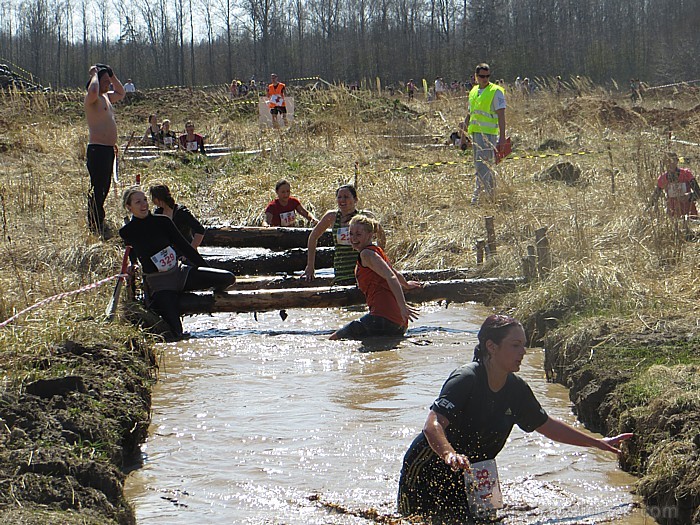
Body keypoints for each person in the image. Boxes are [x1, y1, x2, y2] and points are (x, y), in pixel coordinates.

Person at [397, 314, 634, 522]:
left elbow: (548, 426)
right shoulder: (466, 378)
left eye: (524, 345)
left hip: (478, 472)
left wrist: (599, 443)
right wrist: (449, 454)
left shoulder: (516, 389)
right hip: (428, 470)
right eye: (515, 345)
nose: (523, 352)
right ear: (491, 346)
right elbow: (432, 425)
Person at [119, 187, 234, 339]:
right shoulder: (127, 231)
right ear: (129, 207)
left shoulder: (163, 222)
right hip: (160, 284)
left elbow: (185, 247)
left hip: (180, 273)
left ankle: (202, 296)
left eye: (145, 200)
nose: (144, 205)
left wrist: (205, 269)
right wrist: (132, 264)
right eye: (138, 202)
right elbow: (132, 252)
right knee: (176, 333)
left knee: (228, 278)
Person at [330, 215, 421, 340]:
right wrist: (406, 285)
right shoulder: (376, 251)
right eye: (351, 234)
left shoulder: (367, 254)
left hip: (382, 318)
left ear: (369, 235)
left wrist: (403, 306)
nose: (353, 238)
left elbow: (391, 277)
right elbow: (395, 273)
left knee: (333, 340)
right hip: (398, 323)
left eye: (358, 234)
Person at [303, 184, 386, 286]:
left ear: (355, 199)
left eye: (346, 197)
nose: (342, 200)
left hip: (363, 267)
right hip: (342, 268)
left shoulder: (364, 216)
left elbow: (381, 234)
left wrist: (379, 257)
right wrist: (310, 265)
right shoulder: (331, 216)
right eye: (339, 197)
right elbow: (313, 237)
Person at [84, 63, 125, 237]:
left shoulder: (106, 97)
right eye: (105, 81)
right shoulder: (91, 99)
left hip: (107, 150)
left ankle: (98, 220)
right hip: (97, 150)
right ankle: (95, 223)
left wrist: (111, 73)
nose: (109, 84)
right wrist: (95, 73)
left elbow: (121, 93)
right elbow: (93, 90)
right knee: (98, 187)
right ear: (96, 82)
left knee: (105, 187)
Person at [462, 63, 506, 204]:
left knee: (482, 166)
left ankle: (478, 198)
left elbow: (501, 115)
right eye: (482, 76)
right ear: (476, 76)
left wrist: (503, 137)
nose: (485, 79)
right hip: (475, 134)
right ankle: (490, 196)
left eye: (487, 76)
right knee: (483, 166)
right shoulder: (474, 91)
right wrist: (463, 135)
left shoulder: (496, 91)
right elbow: (469, 114)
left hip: (488, 134)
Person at [150, 184, 206, 251]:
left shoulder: (181, 212)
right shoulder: (158, 212)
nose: (152, 200)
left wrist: (191, 249)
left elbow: (200, 230)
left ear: (157, 198)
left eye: (153, 197)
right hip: (168, 254)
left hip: (185, 252)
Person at [651, 152, 700, 218]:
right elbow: (654, 198)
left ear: (677, 161)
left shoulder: (686, 174)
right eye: (668, 161)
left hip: (690, 214)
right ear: (664, 163)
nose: (670, 164)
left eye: (673, 161)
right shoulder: (662, 179)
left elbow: (698, 193)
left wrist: (689, 196)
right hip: (673, 216)